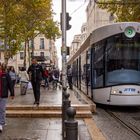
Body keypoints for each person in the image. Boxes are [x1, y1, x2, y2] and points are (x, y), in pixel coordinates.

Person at [0, 63, 14, 132]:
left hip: (3, 95)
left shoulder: (6, 75)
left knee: (2, 109)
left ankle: (1, 124)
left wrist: (12, 93)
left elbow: (10, 84)